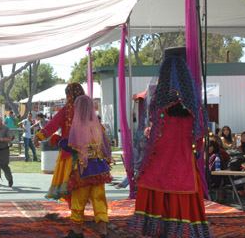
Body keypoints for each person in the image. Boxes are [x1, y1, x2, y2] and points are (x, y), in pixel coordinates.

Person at [129, 56, 213, 237]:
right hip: (183, 163)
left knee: (151, 185)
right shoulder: (194, 106)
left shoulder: (158, 104)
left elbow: (152, 135)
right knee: (183, 189)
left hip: (159, 160)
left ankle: (157, 229)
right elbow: (199, 140)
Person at [52, 95, 112, 238]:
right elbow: (106, 148)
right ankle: (103, 231)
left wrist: (57, 139)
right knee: (99, 198)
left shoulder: (78, 126)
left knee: (78, 199)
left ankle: (77, 231)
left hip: (83, 169)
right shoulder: (99, 127)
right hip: (100, 169)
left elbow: (72, 146)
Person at [34, 82, 85, 201]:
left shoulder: (66, 110)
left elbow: (53, 124)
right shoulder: (88, 109)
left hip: (69, 151)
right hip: (88, 152)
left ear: (69, 95)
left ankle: (75, 212)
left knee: (68, 183)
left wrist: (39, 137)